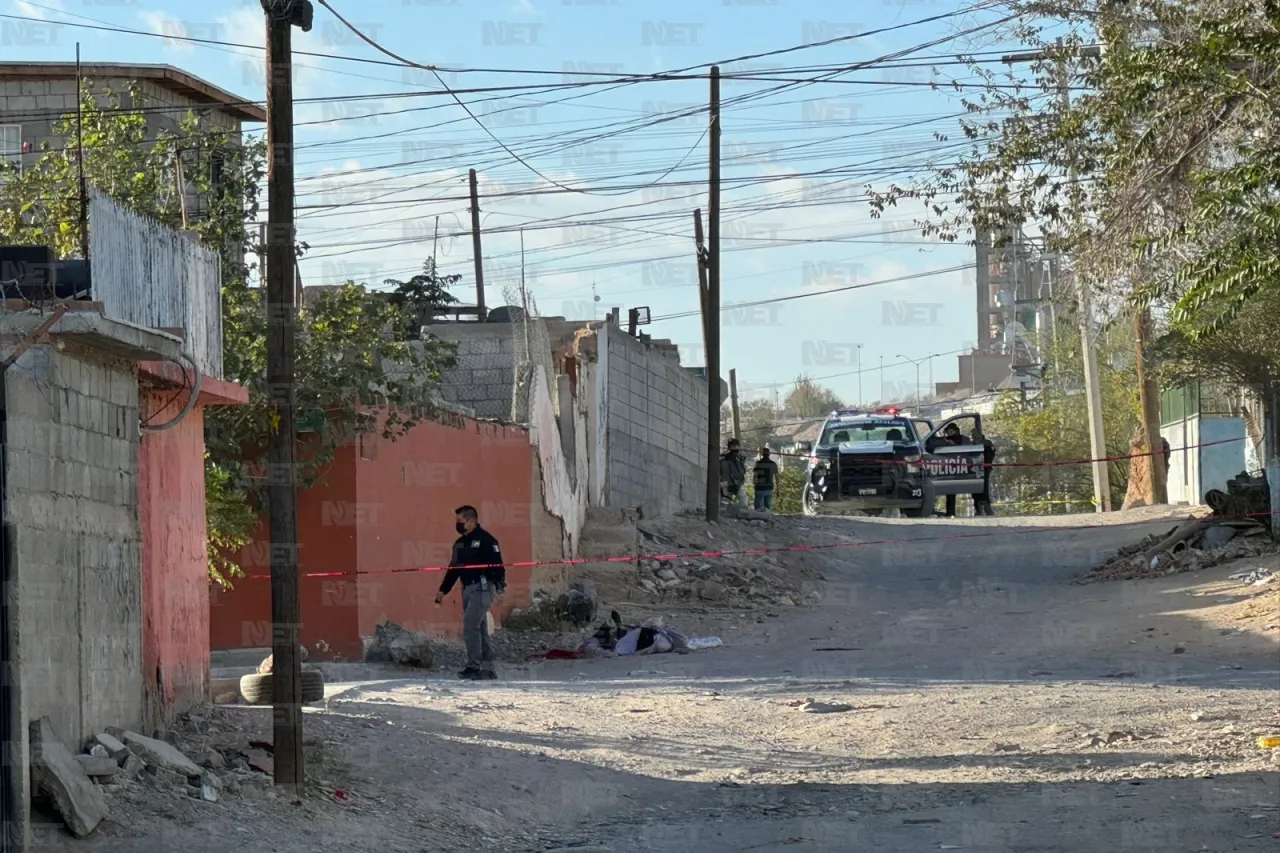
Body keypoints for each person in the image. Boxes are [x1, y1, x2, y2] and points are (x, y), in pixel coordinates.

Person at [434, 505, 505, 680]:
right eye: (456, 521)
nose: (458, 524)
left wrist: (500, 586)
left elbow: (498, 564)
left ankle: (474, 666)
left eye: (461, 521)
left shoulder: (487, 540)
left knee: (470, 627)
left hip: (483, 588)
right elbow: (454, 569)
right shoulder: (459, 544)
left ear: (472, 521)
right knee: (479, 628)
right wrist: (443, 590)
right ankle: (488, 667)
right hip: (467, 589)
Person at [972, 427, 997, 516]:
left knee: (984, 488)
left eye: (975, 433)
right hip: (974, 469)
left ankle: (987, 508)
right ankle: (978, 509)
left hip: (985, 468)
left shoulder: (987, 443)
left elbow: (992, 454)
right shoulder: (972, 444)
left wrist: (987, 463)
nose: (973, 435)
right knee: (975, 489)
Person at [720, 438, 747, 505]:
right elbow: (740, 471)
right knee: (743, 499)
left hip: (726, 482)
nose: (739, 447)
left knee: (726, 499)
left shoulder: (726, 456)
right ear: (733, 447)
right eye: (737, 446)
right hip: (733, 482)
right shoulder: (734, 457)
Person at [752, 447, 779, 511]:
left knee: (757, 508)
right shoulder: (773, 464)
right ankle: (766, 519)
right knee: (767, 508)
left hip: (759, 488)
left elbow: (755, 476)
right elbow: (777, 477)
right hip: (769, 488)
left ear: (762, 454)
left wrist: (754, 485)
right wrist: (778, 490)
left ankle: (757, 519)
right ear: (769, 454)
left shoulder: (758, 463)